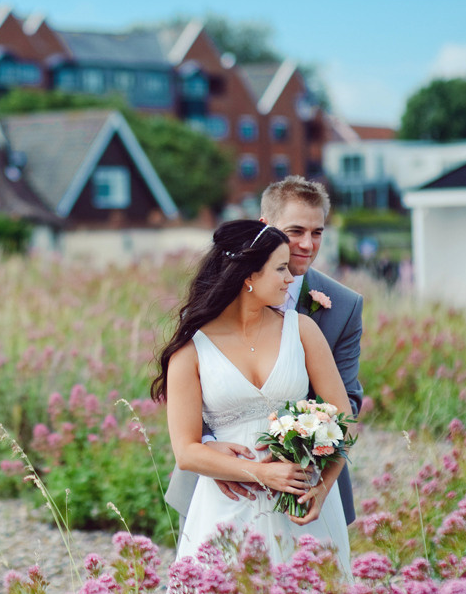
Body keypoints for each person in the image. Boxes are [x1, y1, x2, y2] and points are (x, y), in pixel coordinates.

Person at [151, 220, 354, 573]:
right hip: (231, 503)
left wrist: (322, 488)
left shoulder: (302, 330)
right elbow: (186, 451)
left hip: (301, 498)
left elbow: (344, 420)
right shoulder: (190, 349)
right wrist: (261, 473)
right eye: (280, 268)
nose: (290, 279)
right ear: (248, 276)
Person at [165, 176, 364, 526]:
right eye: (295, 231)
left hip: (302, 485)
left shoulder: (340, 308)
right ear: (264, 228)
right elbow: (187, 416)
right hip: (221, 489)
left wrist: (311, 468)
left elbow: (345, 406)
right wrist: (214, 451)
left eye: (317, 232)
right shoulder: (199, 328)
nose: (307, 244)